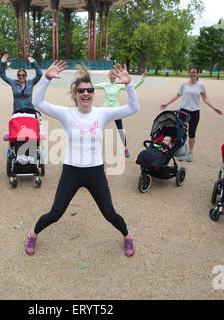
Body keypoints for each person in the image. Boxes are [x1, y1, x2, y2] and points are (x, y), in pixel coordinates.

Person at [26, 61, 140, 257]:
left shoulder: (102, 113)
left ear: (93, 93)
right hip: (72, 171)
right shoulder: (66, 113)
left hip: (95, 171)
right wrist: (46, 79)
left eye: (89, 90)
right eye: (81, 91)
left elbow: (133, 107)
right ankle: (32, 234)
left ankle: (128, 236)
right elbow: (37, 103)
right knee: (55, 213)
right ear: (75, 94)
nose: (86, 93)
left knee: (109, 213)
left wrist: (129, 85)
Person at [160, 65, 222, 162]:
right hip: (184, 111)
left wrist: (214, 108)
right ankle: (181, 151)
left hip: (195, 112)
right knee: (181, 132)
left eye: (194, 72)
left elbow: (205, 98)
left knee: (192, 133)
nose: (192, 74)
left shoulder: (201, 85)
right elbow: (177, 95)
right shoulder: (184, 84)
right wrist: (166, 104)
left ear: (197, 73)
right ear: (189, 73)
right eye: (191, 72)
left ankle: (190, 152)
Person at [93, 71, 147, 157]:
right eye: (110, 74)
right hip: (105, 110)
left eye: (113, 75)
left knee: (120, 129)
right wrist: (82, 81)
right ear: (108, 76)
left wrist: (142, 79)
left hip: (116, 111)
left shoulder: (119, 85)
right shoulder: (104, 84)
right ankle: (94, 148)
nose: (112, 76)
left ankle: (125, 148)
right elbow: (92, 86)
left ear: (116, 76)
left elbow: (133, 87)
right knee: (97, 128)